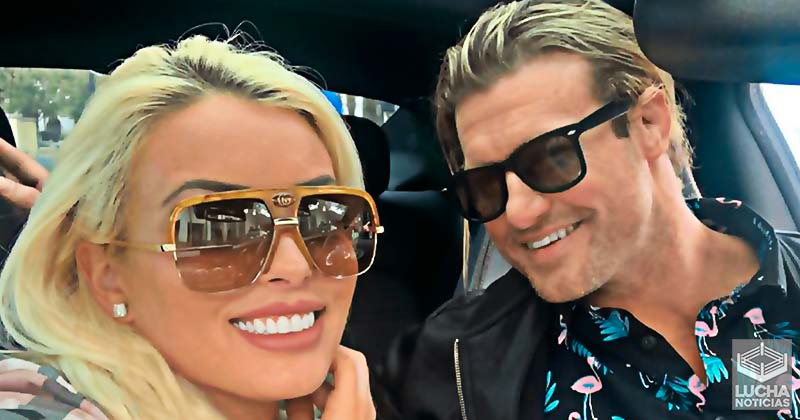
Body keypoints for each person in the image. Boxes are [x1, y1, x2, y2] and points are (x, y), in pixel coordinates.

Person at [375, 1, 800, 419]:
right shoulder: (447, 365)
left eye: (551, 157)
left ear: (649, 124)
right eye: (484, 185)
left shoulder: (787, 290)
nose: (519, 214)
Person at [0, 35, 378, 419]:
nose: (295, 266)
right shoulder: (38, 402)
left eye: (322, 219)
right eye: (219, 229)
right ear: (107, 275)